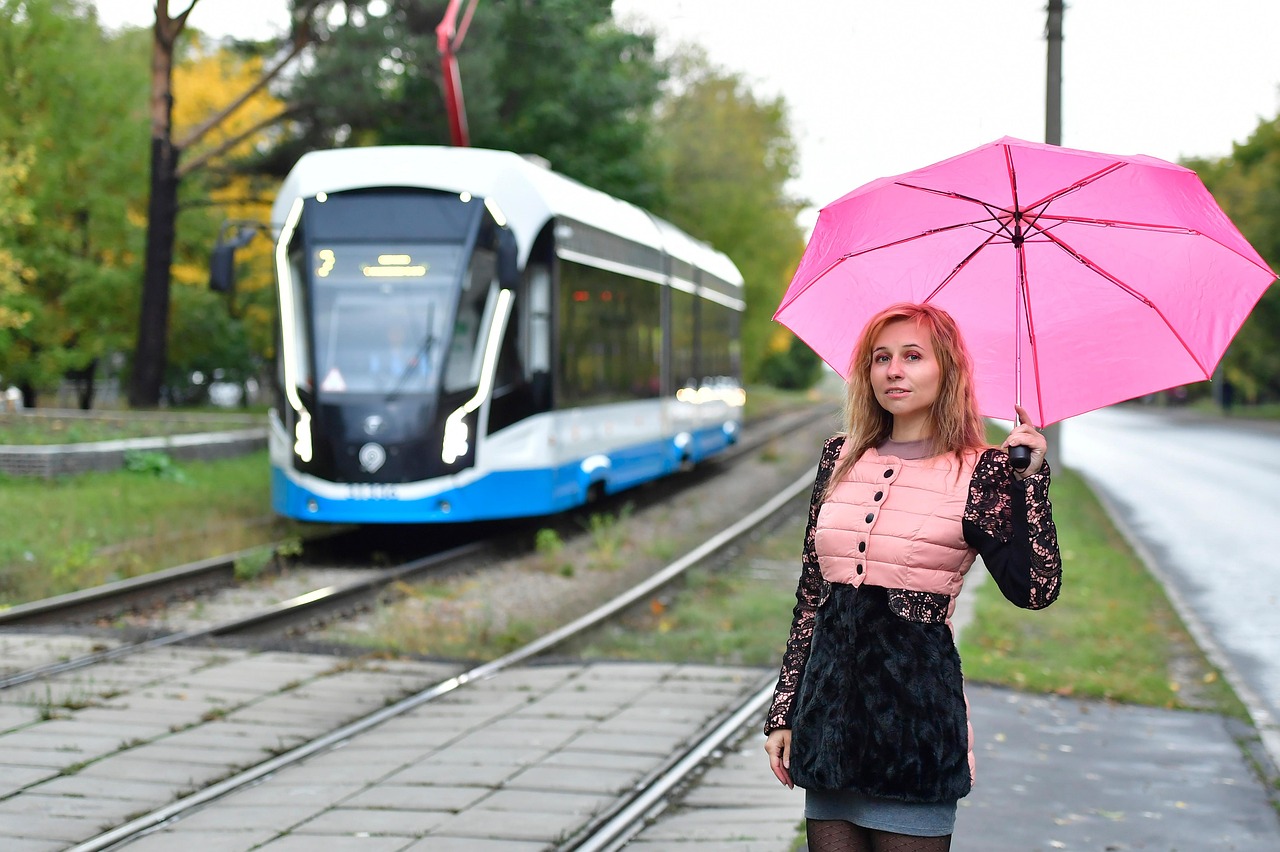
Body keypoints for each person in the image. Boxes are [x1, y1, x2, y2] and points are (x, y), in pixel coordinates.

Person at [763, 302, 1062, 852]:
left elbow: (1035, 590)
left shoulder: (986, 470)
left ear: (946, 369)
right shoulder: (840, 457)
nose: (893, 370)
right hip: (829, 724)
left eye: (912, 356)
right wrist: (784, 711)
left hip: (916, 727)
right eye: (881, 358)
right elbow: (811, 597)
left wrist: (1030, 486)